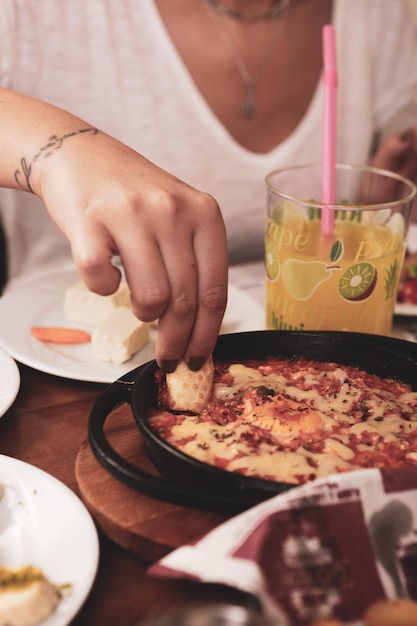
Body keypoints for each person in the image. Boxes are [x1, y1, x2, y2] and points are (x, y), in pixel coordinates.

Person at [0, 0, 417, 372]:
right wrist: (60, 153)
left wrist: (370, 206)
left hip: (294, 362)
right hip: (34, 370)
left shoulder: (377, 11)